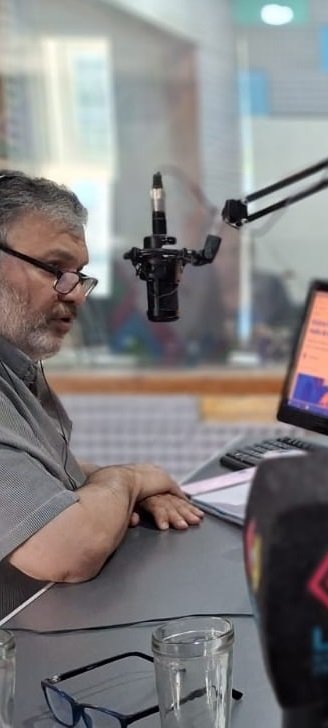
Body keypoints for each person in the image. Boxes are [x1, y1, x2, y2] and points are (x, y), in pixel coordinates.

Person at [0, 171, 202, 598]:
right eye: (55, 269)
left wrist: (119, 492)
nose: (76, 294)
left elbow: (42, 472)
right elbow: (66, 551)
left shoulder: (16, 368)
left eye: (79, 274)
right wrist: (129, 482)